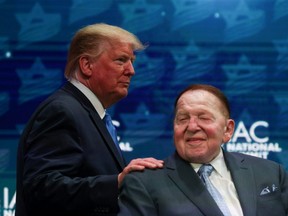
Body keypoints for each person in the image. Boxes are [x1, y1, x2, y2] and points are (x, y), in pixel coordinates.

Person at [16, 23, 163, 216]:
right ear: (87, 65)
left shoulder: (88, 113)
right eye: (121, 60)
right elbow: (41, 188)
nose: (131, 70)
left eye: (132, 61)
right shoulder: (62, 111)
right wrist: (117, 182)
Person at [118, 84, 288, 216]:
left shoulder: (270, 172)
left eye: (204, 118)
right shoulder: (144, 182)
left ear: (228, 130)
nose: (192, 126)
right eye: (182, 119)